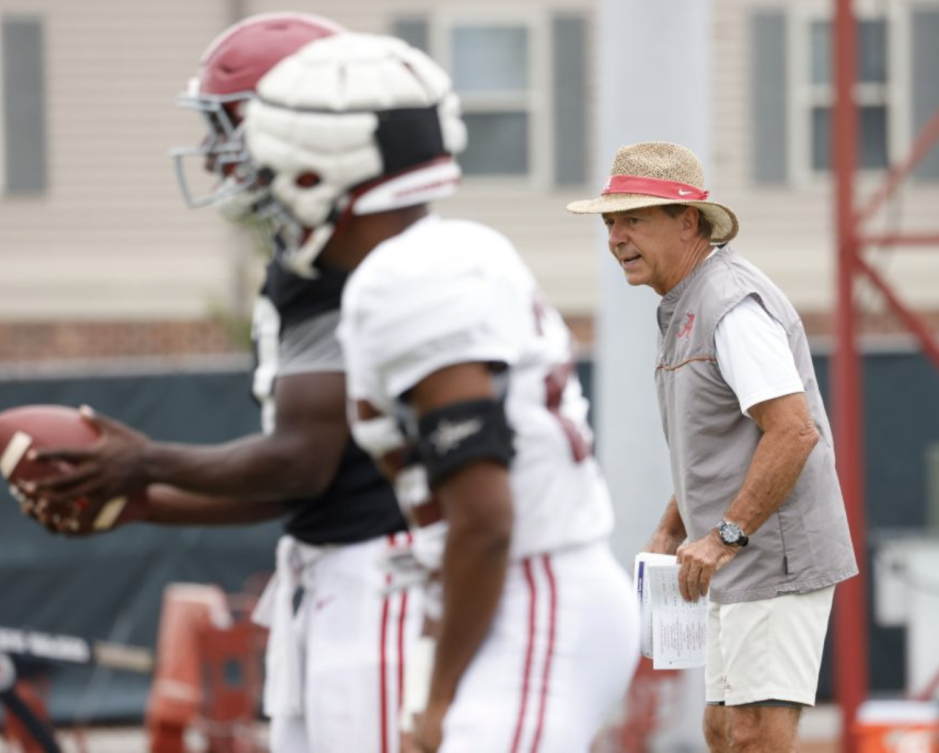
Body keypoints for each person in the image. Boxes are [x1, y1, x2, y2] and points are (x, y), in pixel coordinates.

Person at [16, 14, 422, 753]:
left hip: (387, 575)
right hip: (335, 565)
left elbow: (300, 460)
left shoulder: (351, 255)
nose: (210, 155)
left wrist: (143, 462)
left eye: (225, 126)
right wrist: (138, 502)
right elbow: (304, 481)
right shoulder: (314, 251)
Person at [240, 32, 641, 753]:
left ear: (324, 173)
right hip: (518, 589)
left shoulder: (411, 276)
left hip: (533, 592)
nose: (268, 192)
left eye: (277, 171)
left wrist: (437, 697)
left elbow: (485, 519)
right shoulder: (424, 261)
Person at [566, 141, 858, 753]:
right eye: (610, 221)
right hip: (739, 551)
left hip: (772, 552)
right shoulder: (688, 301)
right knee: (723, 730)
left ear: (688, 222)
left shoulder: (729, 305)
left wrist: (725, 535)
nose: (616, 236)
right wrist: (674, 526)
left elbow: (793, 430)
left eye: (634, 218)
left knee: (755, 734)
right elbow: (722, 442)